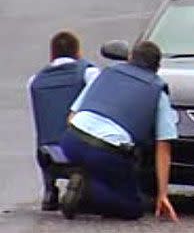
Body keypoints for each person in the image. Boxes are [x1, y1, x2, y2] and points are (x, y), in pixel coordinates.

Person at [58, 41, 179, 221]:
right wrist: (163, 194)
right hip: (106, 152)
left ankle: (82, 180)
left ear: (130, 58)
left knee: (98, 167)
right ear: (157, 66)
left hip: (71, 140)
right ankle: (87, 192)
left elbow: (72, 115)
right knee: (133, 208)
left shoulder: (106, 74)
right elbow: (163, 146)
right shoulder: (157, 91)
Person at [28, 31, 99, 211]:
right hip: (78, 148)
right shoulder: (88, 73)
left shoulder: (35, 81)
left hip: (47, 153)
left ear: (52, 55)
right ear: (78, 53)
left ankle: (50, 190)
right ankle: (88, 185)